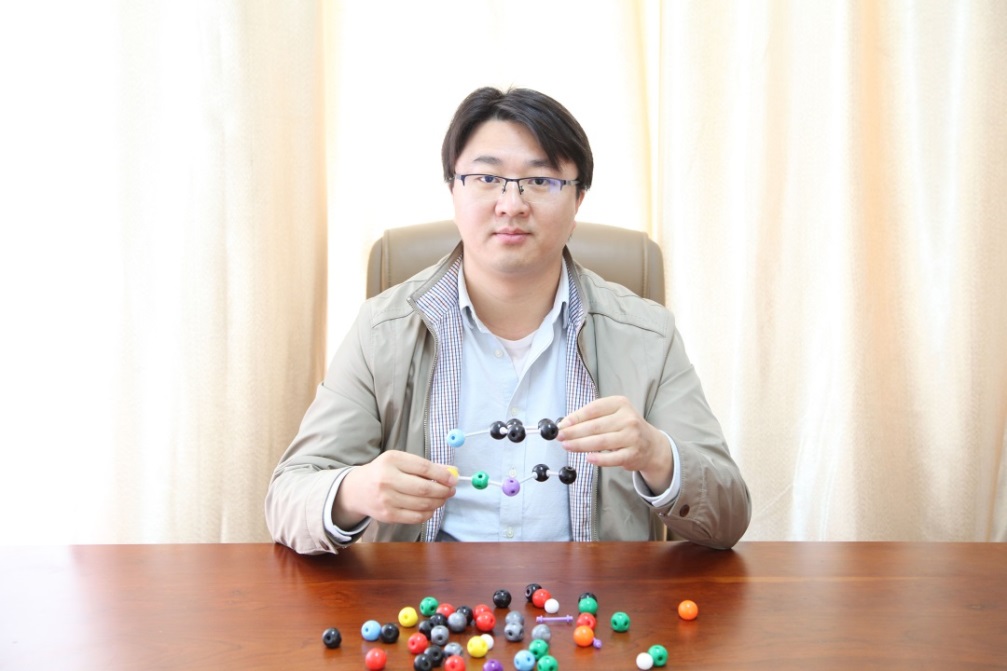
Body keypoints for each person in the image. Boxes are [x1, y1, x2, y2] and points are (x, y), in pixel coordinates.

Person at [265, 86, 751, 554]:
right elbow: (287, 499)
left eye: (541, 180)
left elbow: (729, 518)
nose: (511, 205)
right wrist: (355, 491)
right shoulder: (382, 331)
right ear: (453, 191)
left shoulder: (648, 335)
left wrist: (657, 454)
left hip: (592, 602)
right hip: (429, 603)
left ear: (578, 200)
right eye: (486, 178)